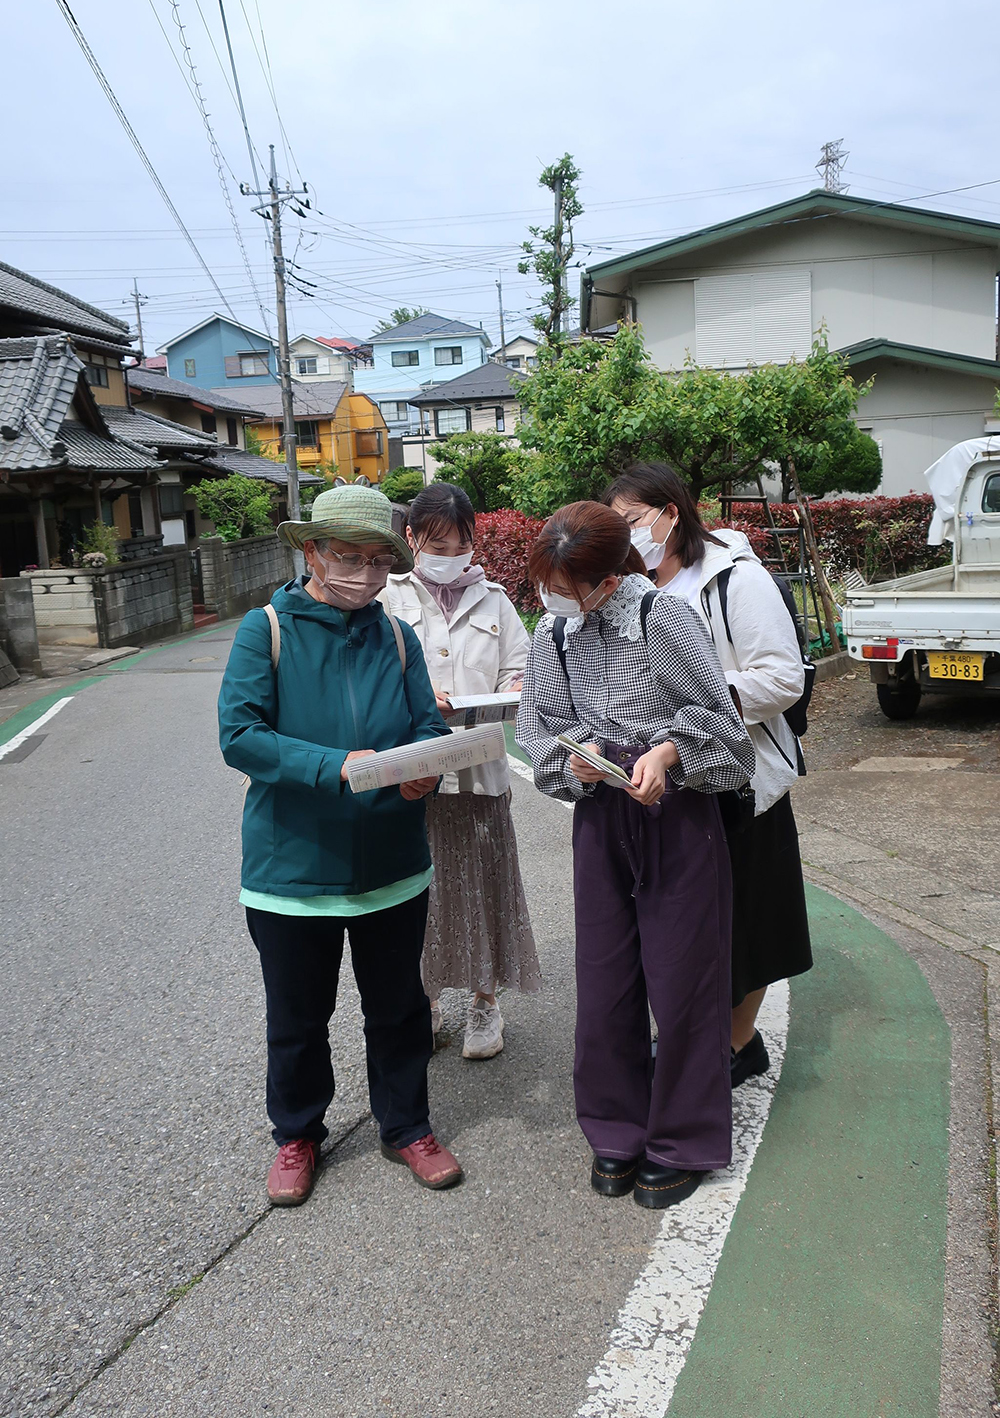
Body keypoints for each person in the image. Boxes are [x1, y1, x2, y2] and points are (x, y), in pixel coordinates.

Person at [218, 484, 462, 1208]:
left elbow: (426, 727)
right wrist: (338, 767)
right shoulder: (264, 629)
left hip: (392, 863)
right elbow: (240, 736)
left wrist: (425, 771)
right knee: (296, 1017)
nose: (362, 573)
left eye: (377, 561)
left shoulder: (395, 635)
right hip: (290, 869)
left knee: (399, 1010)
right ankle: (296, 1135)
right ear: (310, 552)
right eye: (346, 557)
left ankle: (407, 1125)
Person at [515, 502, 754, 1208]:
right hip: (600, 815)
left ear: (611, 580)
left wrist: (670, 750)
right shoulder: (554, 632)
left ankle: (683, 1140)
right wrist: (576, 759)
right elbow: (543, 727)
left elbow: (723, 724)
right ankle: (615, 1129)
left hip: (676, 814)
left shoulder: (664, 618)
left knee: (684, 982)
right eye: (546, 585)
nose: (552, 599)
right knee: (606, 979)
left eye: (565, 586)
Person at [604, 462, 812, 1087]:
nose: (625, 535)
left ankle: (738, 1044)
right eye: (614, 525)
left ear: (670, 513)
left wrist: (695, 700)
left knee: (750, 921)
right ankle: (697, 1037)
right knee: (686, 925)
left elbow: (781, 678)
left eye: (631, 521)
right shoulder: (627, 587)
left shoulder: (733, 579)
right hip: (667, 783)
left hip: (737, 777)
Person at [382, 483, 540, 1059]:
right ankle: (421, 1003)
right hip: (412, 773)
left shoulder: (496, 601)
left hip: (478, 770)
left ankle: (485, 1003)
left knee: (483, 883)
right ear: (412, 539)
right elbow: (373, 682)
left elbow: (521, 673)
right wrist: (424, 699)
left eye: (461, 542)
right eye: (437, 542)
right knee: (414, 894)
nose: (450, 553)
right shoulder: (386, 598)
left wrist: (510, 690)